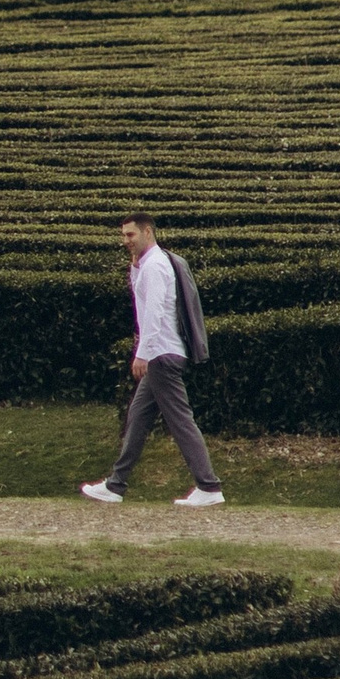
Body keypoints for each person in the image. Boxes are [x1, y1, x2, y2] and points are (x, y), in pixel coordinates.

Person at [81, 213, 223, 507]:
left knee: (181, 421)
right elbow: (144, 298)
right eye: (123, 236)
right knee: (138, 417)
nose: (125, 241)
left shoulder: (156, 266)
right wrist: (134, 268)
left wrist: (142, 354)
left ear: (148, 232)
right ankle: (115, 485)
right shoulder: (148, 265)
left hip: (161, 354)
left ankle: (209, 487)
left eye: (131, 235)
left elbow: (154, 313)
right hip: (162, 353)